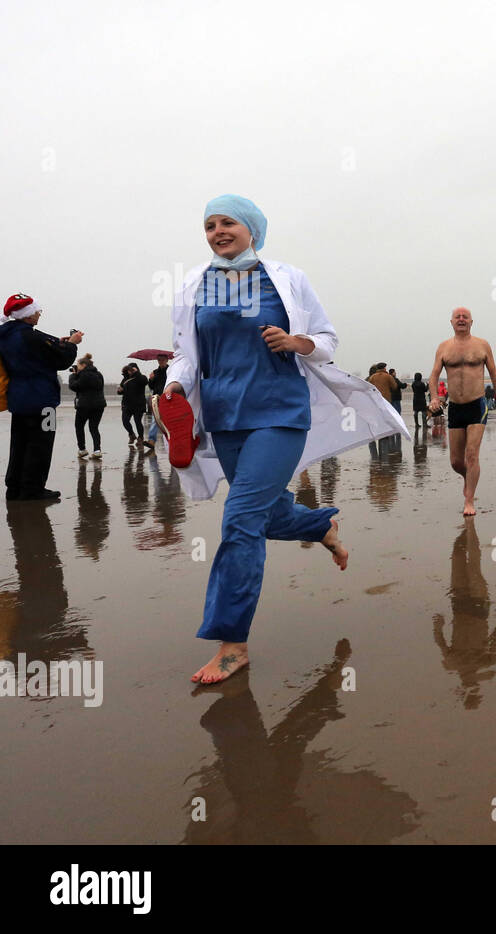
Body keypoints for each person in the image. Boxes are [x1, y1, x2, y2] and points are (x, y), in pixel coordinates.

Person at [160, 194, 406, 684]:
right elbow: (185, 353)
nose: (217, 231)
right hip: (225, 417)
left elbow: (327, 339)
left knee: (240, 518)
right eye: (209, 225)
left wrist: (299, 343)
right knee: (265, 514)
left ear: (252, 227)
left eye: (228, 222)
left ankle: (232, 643)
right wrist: (173, 383)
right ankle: (319, 527)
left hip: (280, 412)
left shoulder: (286, 277)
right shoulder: (193, 285)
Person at [0, 293, 82, 501]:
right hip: (43, 399)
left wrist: (57, 342)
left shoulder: (7, 334)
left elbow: (40, 347)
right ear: (27, 315)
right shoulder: (31, 336)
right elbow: (62, 359)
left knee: (19, 443)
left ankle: (14, 487)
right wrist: (72, 344)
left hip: (18, 398)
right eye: (36, 311)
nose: (39, 314)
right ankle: (33, 488)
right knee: (41, 444)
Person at [428, 306, 496, 516]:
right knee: (456, 461)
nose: (461, 319)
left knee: (472, 455)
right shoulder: (443, 348)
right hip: (455, 406)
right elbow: (434, 376)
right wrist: (435, 398)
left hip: (477, 405)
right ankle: (468, 477)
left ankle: (469, 500)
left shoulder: (482, 345)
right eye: (457, 317)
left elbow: (495, 375)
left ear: (471, 322)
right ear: (452, 322)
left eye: (465, 317)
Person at [69, 353, 106, 458]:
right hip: (99, 405)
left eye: (78, 365)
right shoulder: (99, 374)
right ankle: (97, 450)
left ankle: (82, 449)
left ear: (83, 365)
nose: (77, 367)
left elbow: (74, 386)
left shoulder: (83, 375)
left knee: (79, 426)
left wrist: (73, 375)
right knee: (94, 428)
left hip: (84, 405)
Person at [118, 363, 149, 446]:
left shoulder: (141, 377)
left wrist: (136, 373)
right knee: (125, 421)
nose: (131, 371)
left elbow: (145, 382)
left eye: (133, 369)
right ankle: (131, 434)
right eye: (130, 369)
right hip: (127, 404)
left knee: (138, 422)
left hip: (139, 405)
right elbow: (120, 390)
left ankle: (140, 438)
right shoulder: (125, 379)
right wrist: (119, 390)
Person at [145, 353, 170, 450]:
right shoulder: (155, 372)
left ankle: (172, 438)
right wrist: (150, 379)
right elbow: (151, 386)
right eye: (159, 360)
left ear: (167, 360)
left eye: (163, 359)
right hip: (156, 398)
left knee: (169, 419)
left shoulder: (171, 371)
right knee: (155, 419)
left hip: (168, 397)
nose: (161, 361)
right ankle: (151, 440)